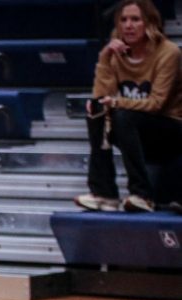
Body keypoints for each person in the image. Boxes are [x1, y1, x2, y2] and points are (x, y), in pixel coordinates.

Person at [74, 0, 182, 213]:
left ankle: (142, 194)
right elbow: (100, 97)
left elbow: (156, 103)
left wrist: (115, 102)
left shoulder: (168, 53)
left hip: (172, 130)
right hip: (135, 131)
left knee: (123, 115)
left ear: (149, 23)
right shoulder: (116, 55)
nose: (128, 25)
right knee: (96, 111)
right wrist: (105, 58)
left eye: (135, 19)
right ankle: (104, 194)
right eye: (123, 20)